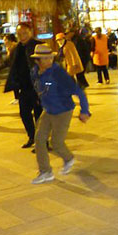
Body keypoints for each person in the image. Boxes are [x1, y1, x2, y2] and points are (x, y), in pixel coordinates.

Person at [30, 43, 91, 184]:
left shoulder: (58, 73)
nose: (48, 61)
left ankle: (69, 158)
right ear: (37, 61)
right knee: (39, 139)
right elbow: (38, 89)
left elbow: (79, 92)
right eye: (44, 59)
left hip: (63, 110)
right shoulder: (34, 72)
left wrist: (84, 110)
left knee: (56, 143)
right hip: (48, 110)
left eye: (50, 58)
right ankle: (46, 172)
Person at [4, 22, 42, 148]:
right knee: (24, 113)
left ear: (30, 32)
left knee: (39, 115)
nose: (22, 36)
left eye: (24, 33)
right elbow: (10, 64)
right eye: (19, 34)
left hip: (38, 87)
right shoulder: (16, 48)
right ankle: (32, 136)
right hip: (24, 87)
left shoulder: (39, 46)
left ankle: (42, 142)